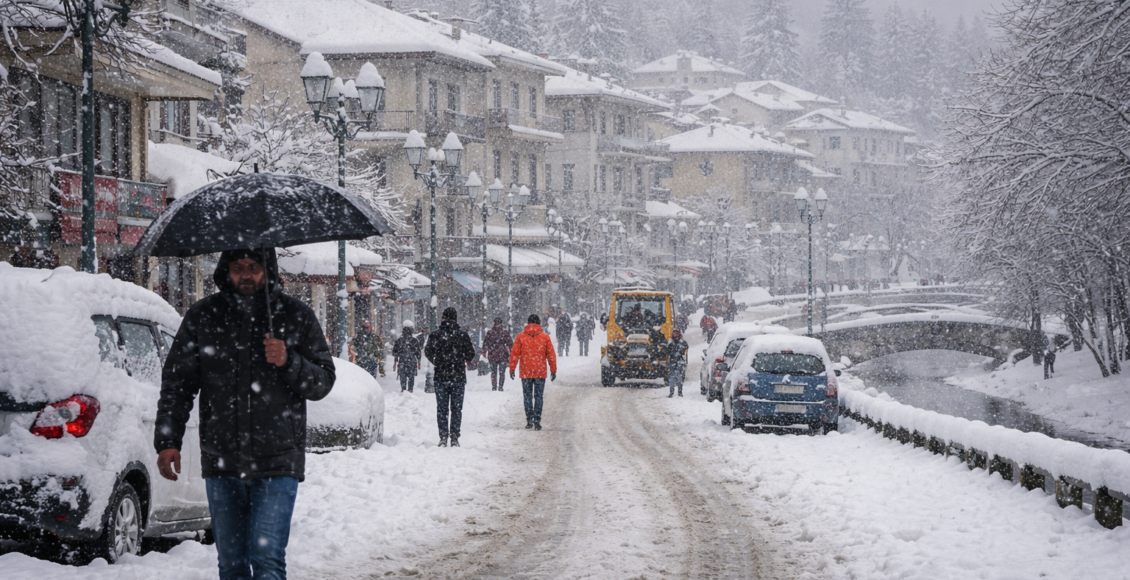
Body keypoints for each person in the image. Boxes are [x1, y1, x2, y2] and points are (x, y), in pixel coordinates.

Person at [155, 248, 335, 580]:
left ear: (268, 270)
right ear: (227, 270)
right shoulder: (203, 317)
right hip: (222, 461)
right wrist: (168, 439)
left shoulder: (296, 316)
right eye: (238, 267)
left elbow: (323, 381)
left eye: (254, 267)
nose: (246, 275)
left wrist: (288, 360)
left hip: (278, 460)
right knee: (232, 564)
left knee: (267, 559)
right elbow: (178, 383)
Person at [424, 307, 477, 447]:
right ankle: (454, 437)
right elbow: (471, 354)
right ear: (456, 319)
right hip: (458, 377)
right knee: (456, 409)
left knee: (442, 409)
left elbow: (428, 351)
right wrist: (461, 359)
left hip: (441, 377)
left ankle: (443, 437)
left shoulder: (435, 335)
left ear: (443, 318)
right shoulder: (462, 335)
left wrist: (437, 361)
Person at [509, 314, 557, 431]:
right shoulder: (545, 338)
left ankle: (529, 419)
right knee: (539, 396)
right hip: (540, 371)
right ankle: (537, 420)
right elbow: (551, 354)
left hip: (526, 371)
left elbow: (515, 353)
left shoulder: (520, 337)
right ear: (539, 323)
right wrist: (553, 369)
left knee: (527, 396)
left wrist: (512, 368)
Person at [483, 317, 513, 391]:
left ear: (494, 323)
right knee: (502, 372)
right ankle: (500, 386)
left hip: (492, 354)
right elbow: (510, 343)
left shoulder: (490, 332)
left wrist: (484, 351)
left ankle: (494, 386)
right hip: (502, 354)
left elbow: (485, 343)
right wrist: (510, 350)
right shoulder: (504, 332)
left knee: (493, 372)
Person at [392, 321, 421, 393]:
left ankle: (403, 390)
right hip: (412, 362)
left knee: (403, 377)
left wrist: (396, 359)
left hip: (402, 362)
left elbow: (394, 352)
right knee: (411, 377)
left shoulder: (399, 340)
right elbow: (418, 353)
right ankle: (410, 390)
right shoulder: (415, 340)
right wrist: (418, 361)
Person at [666, 329, 689, 397]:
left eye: (676, 334)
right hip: (674, 362)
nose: (675, 335)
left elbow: (685, 349)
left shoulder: (681, 343)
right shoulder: (672, 343)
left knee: (678, 377)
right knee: (674, 377)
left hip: (679, 362)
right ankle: (673, 392)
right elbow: (668, 351)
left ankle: (679, 391)